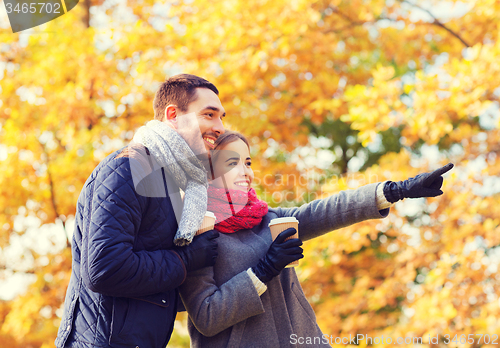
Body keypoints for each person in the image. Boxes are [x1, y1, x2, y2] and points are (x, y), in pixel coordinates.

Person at [179, 131, 453, 347]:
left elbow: (327, 210)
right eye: (232, 163)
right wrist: (263, 271)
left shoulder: (269, 218)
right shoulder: (198, 229)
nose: (246, 172)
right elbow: (207, 315)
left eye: (248, 162)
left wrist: (395, 190)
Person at [55, 74, 226, 348]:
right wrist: (185, 261)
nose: (219, 127)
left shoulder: (177, 183)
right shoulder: (129, 168)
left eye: (221, 118)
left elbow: (158, 295)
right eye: (209, 115)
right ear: (173, 115)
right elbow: (103, 268)